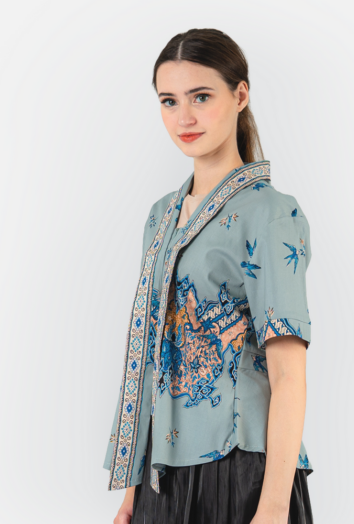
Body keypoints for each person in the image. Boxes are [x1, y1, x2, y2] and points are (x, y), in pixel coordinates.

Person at [103, 28, 315, 524]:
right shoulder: (161, 216)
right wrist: (133, 492)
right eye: (169, 101)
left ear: (240, 95)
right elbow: (153, 355)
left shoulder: (269, 213)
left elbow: (288, 374)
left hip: (238, 464)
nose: (184, 117)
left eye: (201, 96)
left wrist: (273, 507)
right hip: (162, 473)